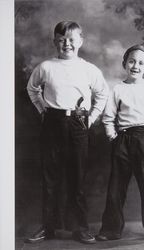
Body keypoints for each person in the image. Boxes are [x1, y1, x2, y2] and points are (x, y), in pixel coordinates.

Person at [26, 20, 109, 244]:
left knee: (77, 178)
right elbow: (32, 89)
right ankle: (48, 227)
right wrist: (43, 109)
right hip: (52, 123)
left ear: (80, 41)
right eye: (62, 39)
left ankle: (80, 228)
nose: (67, 44)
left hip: (78, 124)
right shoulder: (46, 67)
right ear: (55, 42)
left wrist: (90, 119)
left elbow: (102, 94)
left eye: (71, 39)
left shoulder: (89, 69)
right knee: (50, 178)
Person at [96, 45, 144, 244]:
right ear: (124, 64)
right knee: (116, 187)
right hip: (122, 140)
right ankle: (111, 229)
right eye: (131, 61)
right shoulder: (118, 89)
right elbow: (108, 117)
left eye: (141, 63)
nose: (135, 66)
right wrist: (113, 137)